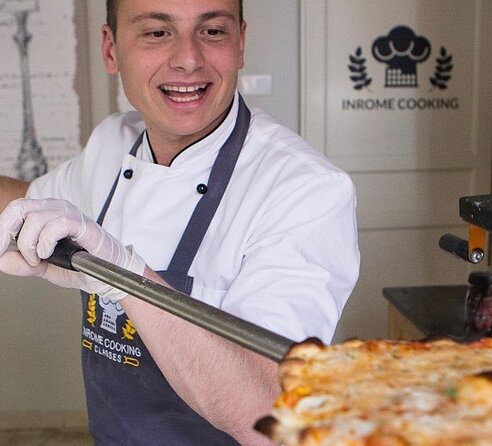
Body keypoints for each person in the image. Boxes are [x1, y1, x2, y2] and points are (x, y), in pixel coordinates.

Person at [0, 0, 360, 444]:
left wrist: (128, 279)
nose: (188, 58)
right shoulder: (112, 143)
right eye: (157, 32)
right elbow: (24, 203)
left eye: (213, 32)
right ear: (111, 49)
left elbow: (268, 416)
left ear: (241, 43)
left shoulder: (306, 190)